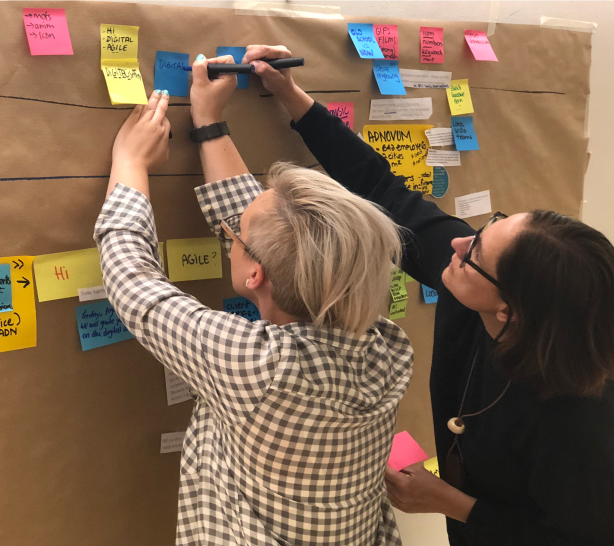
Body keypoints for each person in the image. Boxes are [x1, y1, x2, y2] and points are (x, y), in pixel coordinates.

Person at [242, 44, 614, 545]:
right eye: (487, 227)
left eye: (476, 252)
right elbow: (387, 193)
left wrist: (454, 505)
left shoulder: (579, 411)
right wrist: (293, 99)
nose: (458, 244)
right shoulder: (471, 286)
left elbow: (579, 535)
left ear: (508, 310)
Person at [94, 55, 414, 545]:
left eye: (235, 236)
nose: (231, 230)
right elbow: (282, 244)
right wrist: (209, 123)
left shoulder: (255, 364)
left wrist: (130, 162)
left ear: (254, 273)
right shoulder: (389, 348)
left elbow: (133, 283)